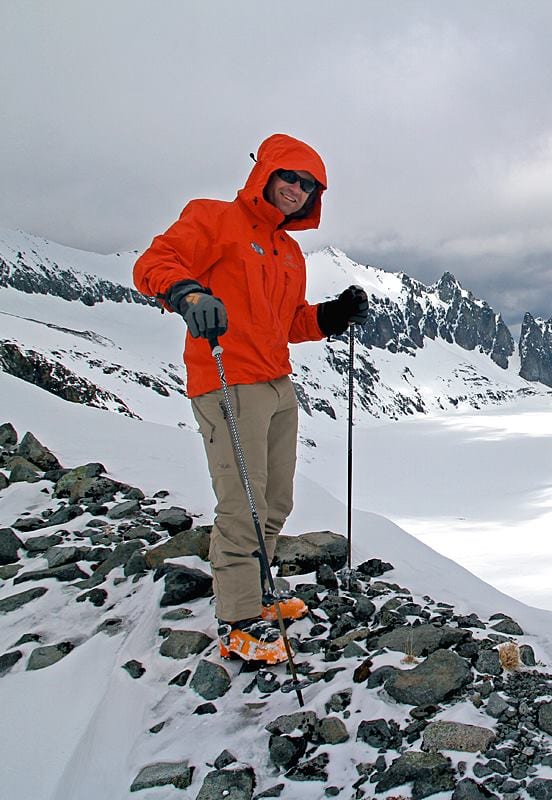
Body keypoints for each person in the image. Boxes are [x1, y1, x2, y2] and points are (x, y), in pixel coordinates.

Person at [133, 133, 369, 663]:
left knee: (276, 500)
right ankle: (238, 619)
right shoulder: (214, 218)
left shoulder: (289, 251)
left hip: (277, 383)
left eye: (309, 185)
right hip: (227, 380)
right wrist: (188, 293)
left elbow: (289, 323)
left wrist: (331, 316)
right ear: (266, 174)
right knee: (243, 504)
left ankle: (259, 592)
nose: (297, 189)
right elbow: (154, 262)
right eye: (290, 177)